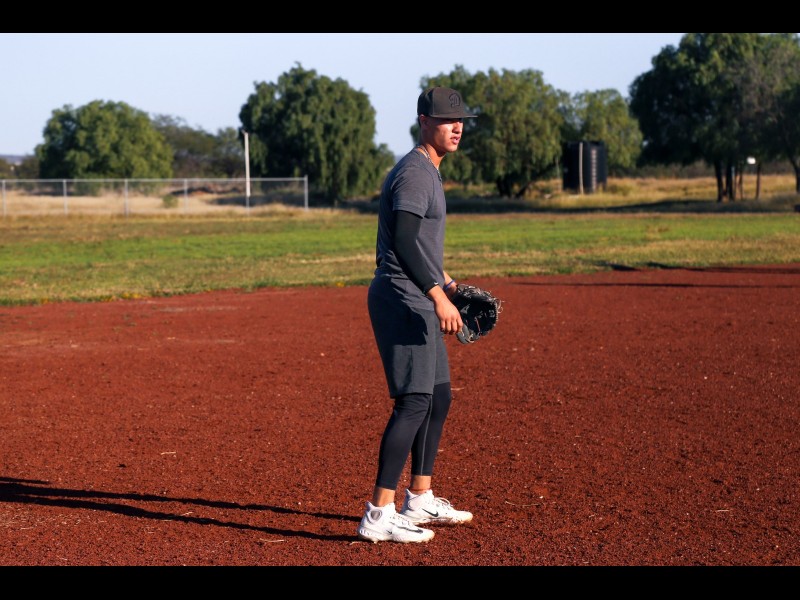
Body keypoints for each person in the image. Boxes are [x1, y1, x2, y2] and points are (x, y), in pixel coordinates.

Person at [357, 86, 478, 544]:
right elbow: (404, 242)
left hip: (418, 294)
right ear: (424, 121)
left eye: (460, 119)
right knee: (413, 402)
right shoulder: (415, 173)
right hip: (401, 297)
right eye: (446, 119)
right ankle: (378, 514)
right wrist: (437, 296)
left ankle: (420, 498)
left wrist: (449, 285)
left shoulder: (428, 170)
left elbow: (420, 246)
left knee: (438, 397)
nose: (456, 126)